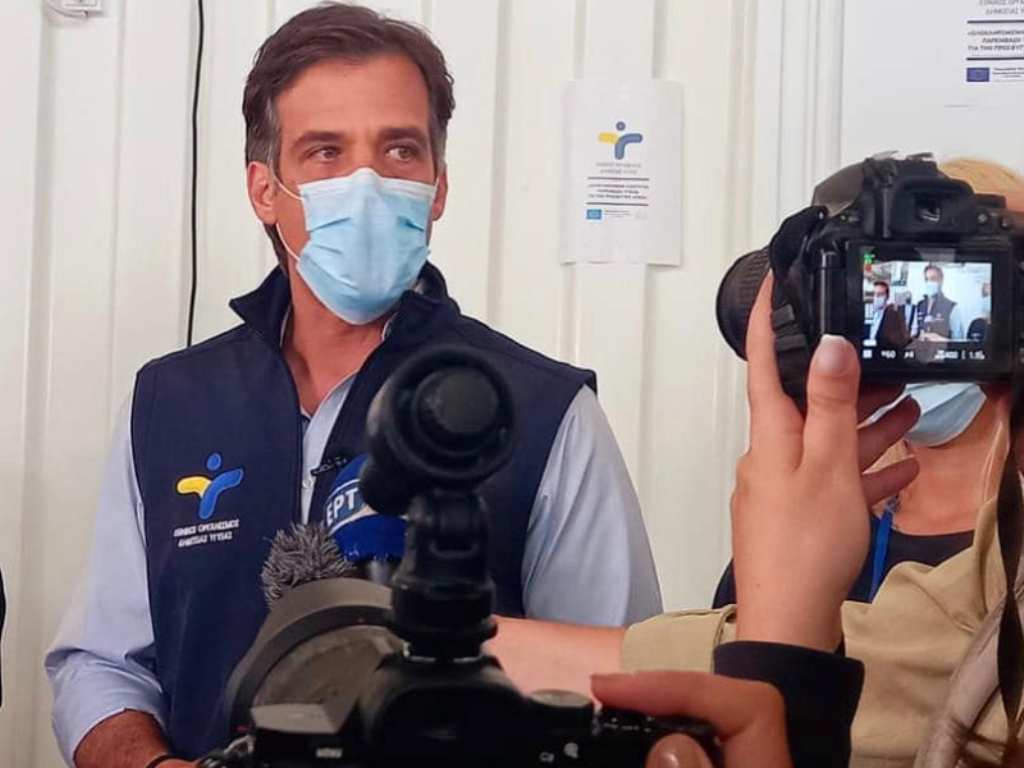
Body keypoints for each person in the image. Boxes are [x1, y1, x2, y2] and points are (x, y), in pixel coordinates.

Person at [44, 5, 661, 766]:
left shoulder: (541, 412)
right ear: (264, 189)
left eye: (400, 149)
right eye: (325, 152)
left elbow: (626, 688)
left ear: (437, 186)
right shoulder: (168, 404)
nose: (366, 183)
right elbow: (101, 665)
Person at [914, 264, 966, 341]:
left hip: (942, 348)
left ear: (941, 281)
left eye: (933, 279)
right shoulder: (920, 305)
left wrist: (939, 339)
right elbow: (914, 333)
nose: (929, 282)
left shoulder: (952, 307)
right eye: (927, 279)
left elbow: (959, 341)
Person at [864, 281, 910, 347]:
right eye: (873, 294)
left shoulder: (895, 316)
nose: (876, 297)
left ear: (887, 297)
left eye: (880, 294)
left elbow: (902, 340)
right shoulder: (863, 314)